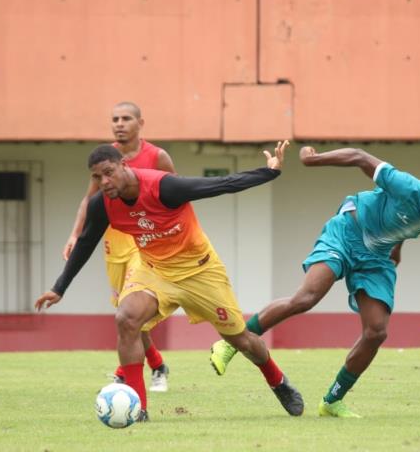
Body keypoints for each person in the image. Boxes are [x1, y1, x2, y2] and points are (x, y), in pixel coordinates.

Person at [35, 140, 303, 421]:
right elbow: (86, 243)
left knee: (242, 341)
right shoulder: (102, 205)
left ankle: (277, 381)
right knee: (126, 318)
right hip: (155, 271)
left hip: (200, 272)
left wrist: (269, 172)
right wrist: (59, 288)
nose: (103, 181)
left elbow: (221, 184)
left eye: (109, 172)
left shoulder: (164, 187)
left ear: (124, 165)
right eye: (96, 176)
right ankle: (139, 409)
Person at [209, 145, 420, 418]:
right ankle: (232, 342)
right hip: (347, 232)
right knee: (306, 298)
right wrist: (314, 159)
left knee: (376, 332)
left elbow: (404, 223)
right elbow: (360, 157)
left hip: (376, 257)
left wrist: (397, 248)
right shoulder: (408, 186)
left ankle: (332, 401)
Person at [63, 102, 174, 392]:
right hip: (114, 243)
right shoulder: (104, 159)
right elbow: (89, 201)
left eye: (126, 118)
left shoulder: (157, 156)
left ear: (140, 122)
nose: (120, 124)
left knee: (135, 310)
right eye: (115, 119)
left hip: (145, 241)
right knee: (126, 314)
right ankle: (157, 365)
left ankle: (126, 372)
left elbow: (176, 197)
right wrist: (76, 234)